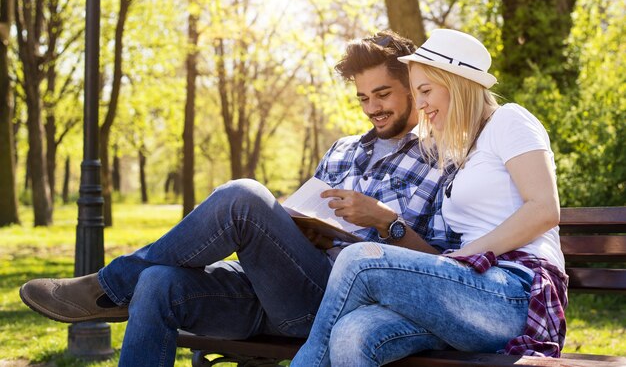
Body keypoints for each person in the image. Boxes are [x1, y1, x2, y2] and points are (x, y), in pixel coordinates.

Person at [19, 30, 450, 367]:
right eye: (362, 97)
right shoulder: (342, 149)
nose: (372, 108)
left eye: (382, 95)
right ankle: (125, 284)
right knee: (157, 283)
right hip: (269, 289)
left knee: (243, 196)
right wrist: (297, 224)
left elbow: (443, 271)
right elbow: (309, 214)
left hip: (335, 304)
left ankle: (108, 288)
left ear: (411, 89)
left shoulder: (440, 159)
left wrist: (381, 220)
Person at [290, 29, 568, 367]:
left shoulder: (509, 120)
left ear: (456, 83)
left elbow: (544, 209)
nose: (420, 104)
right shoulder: (461, 149)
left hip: (513, 290)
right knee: (354, 331)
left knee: (359, 259)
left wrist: (463, 256)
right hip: (467, 292)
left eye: (426, 90)